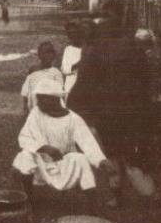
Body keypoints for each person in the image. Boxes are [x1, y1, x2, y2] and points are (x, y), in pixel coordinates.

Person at [66, 17, 153, 204]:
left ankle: (125, 194)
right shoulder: (131, 49)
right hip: (128, 109)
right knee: (127, 153)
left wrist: (73, 104)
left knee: (115, 152)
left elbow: (85, 83)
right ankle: (137, 193)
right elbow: (146, 81)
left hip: (110, 111)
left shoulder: (95, 51)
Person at [12, 78, 114, 212]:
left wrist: (101, 161)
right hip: (40, 163)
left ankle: (93, 208)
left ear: (55, 99)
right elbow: (24, 137)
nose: (39, 102)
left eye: (43, 98)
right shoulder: (36, 114)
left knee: (80, 159)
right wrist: (44, 148)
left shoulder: (73, 119)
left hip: (62, 162)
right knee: (24, 157)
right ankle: (29, 201)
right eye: (38, 98)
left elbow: (87, 142)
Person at [21, 41, 63, 113]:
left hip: (50, 105)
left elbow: (59, 91)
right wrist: (25, 106)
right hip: (34, 104)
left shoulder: (56, 72)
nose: (49, 55)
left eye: (51, 52)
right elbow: (26, 89)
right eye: (46, 52)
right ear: (39, 55)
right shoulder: (33, 70)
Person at [61, 22, 85, 95]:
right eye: (70, 33)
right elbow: (65, 69)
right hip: (71, 83)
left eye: (75, 32)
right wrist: (78, 64)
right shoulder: (68, 49)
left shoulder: (86, 49)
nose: (73, 35)